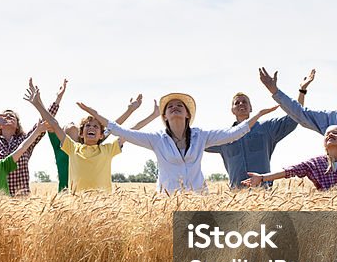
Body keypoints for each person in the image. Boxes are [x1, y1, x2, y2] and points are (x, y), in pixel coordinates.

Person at [77, 92, 277, 193]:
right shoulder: (157, 140)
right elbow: (123, 132)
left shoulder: (201, 136)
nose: (175, 108)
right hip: (167, 202)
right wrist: (96, 115)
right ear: (164, 116)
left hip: (198, 202)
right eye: (170, 106)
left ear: (188, 114)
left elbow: (234, 133)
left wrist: (258, 114)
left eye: (179, 105)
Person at [26, 81, 159, 193]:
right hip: (75, 206)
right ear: (81, 134)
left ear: (101, 135)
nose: (91, 128)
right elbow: (53, 123)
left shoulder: (106, 149)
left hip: (102, 208)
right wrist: (37, 104)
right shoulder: (72, 148)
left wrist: (149, 115)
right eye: (87, 126)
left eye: (95, 127)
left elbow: (129, 132)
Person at [206, 71, 316, 188]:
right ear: (232, 110)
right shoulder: (224, 136)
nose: (241, 104)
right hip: (236, 196)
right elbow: (198, 142)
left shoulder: (267, 128)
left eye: (244, 102)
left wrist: (302, 91)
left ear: (251, 108)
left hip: (264, 191)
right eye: (236, 103)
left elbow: (295, 117)